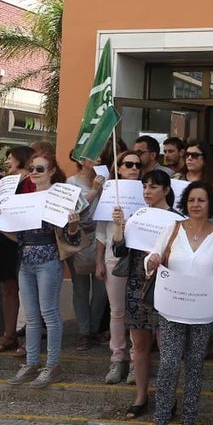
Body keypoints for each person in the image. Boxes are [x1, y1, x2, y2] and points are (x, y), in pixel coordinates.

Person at [142, 181, 213, 425]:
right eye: (192, 200)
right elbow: (153, 256)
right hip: (172, 308)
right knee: (169, 363)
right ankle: (160, 424)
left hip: (203, 312)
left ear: (210, 204)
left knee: (195, 367)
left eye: (201, 200)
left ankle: (189, 423)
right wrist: (152, 261)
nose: (196, 204)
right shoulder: (172, 228)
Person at [0, 151, 82, 388]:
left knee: (49, 313)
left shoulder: (59, 198)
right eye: (31, 168)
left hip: (49, 259)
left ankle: (52, 364)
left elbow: (72, 237)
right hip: (26, 259)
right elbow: (17, 236)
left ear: (52, 171)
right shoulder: (25, 198)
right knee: (31, 317)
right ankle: (31, 362)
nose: (34, 173)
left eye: (40, 169)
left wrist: (73, 225)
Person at [120, 167, 177, 416]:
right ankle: (141, 396)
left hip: (164, 285)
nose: (147, 191)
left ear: (166, 190)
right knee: (140, 345)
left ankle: (167, 398)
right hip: (136, 285)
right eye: (144, 186)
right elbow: (120, 251)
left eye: (153, 186)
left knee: (167, 346)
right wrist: (119, 228)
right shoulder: (137, 215)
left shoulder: (177, 220)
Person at [93, 151, 142, 388]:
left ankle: (135, 360)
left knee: (136, 312)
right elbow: (101, 233)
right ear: (119, 168)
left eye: (137, 165)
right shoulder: (109, 193)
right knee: (117, 311)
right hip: (114, 258)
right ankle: (117, 358)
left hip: (140, 260)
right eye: (128, 164)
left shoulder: (145, 192)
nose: (134, 168)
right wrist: (99, 261)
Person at [0, 146, 34, 354]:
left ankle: (30, 340)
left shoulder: (32, 182)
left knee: (30, 290)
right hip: (5, 239)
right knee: (8, 287)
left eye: (10, 157)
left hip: (28, 238)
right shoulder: (6, 182)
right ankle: (9, 335)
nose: (7, 161)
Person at [65, 152, 106, 351]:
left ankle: (94, 329)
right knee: (80, 288)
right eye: (93, 155)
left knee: (101, 290)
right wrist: (95, 190)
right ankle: (84, 332)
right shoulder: (70, 183)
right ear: (81, 160)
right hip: (79, 238)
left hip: (101, 239)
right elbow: (74, 210)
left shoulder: (106, 180)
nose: (99, 159)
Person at [176, 140, 213, 226]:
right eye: (187, 155)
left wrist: (208, 223)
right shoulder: (175, 178)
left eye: (195, 155)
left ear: (205, 159)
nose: (189, 158)